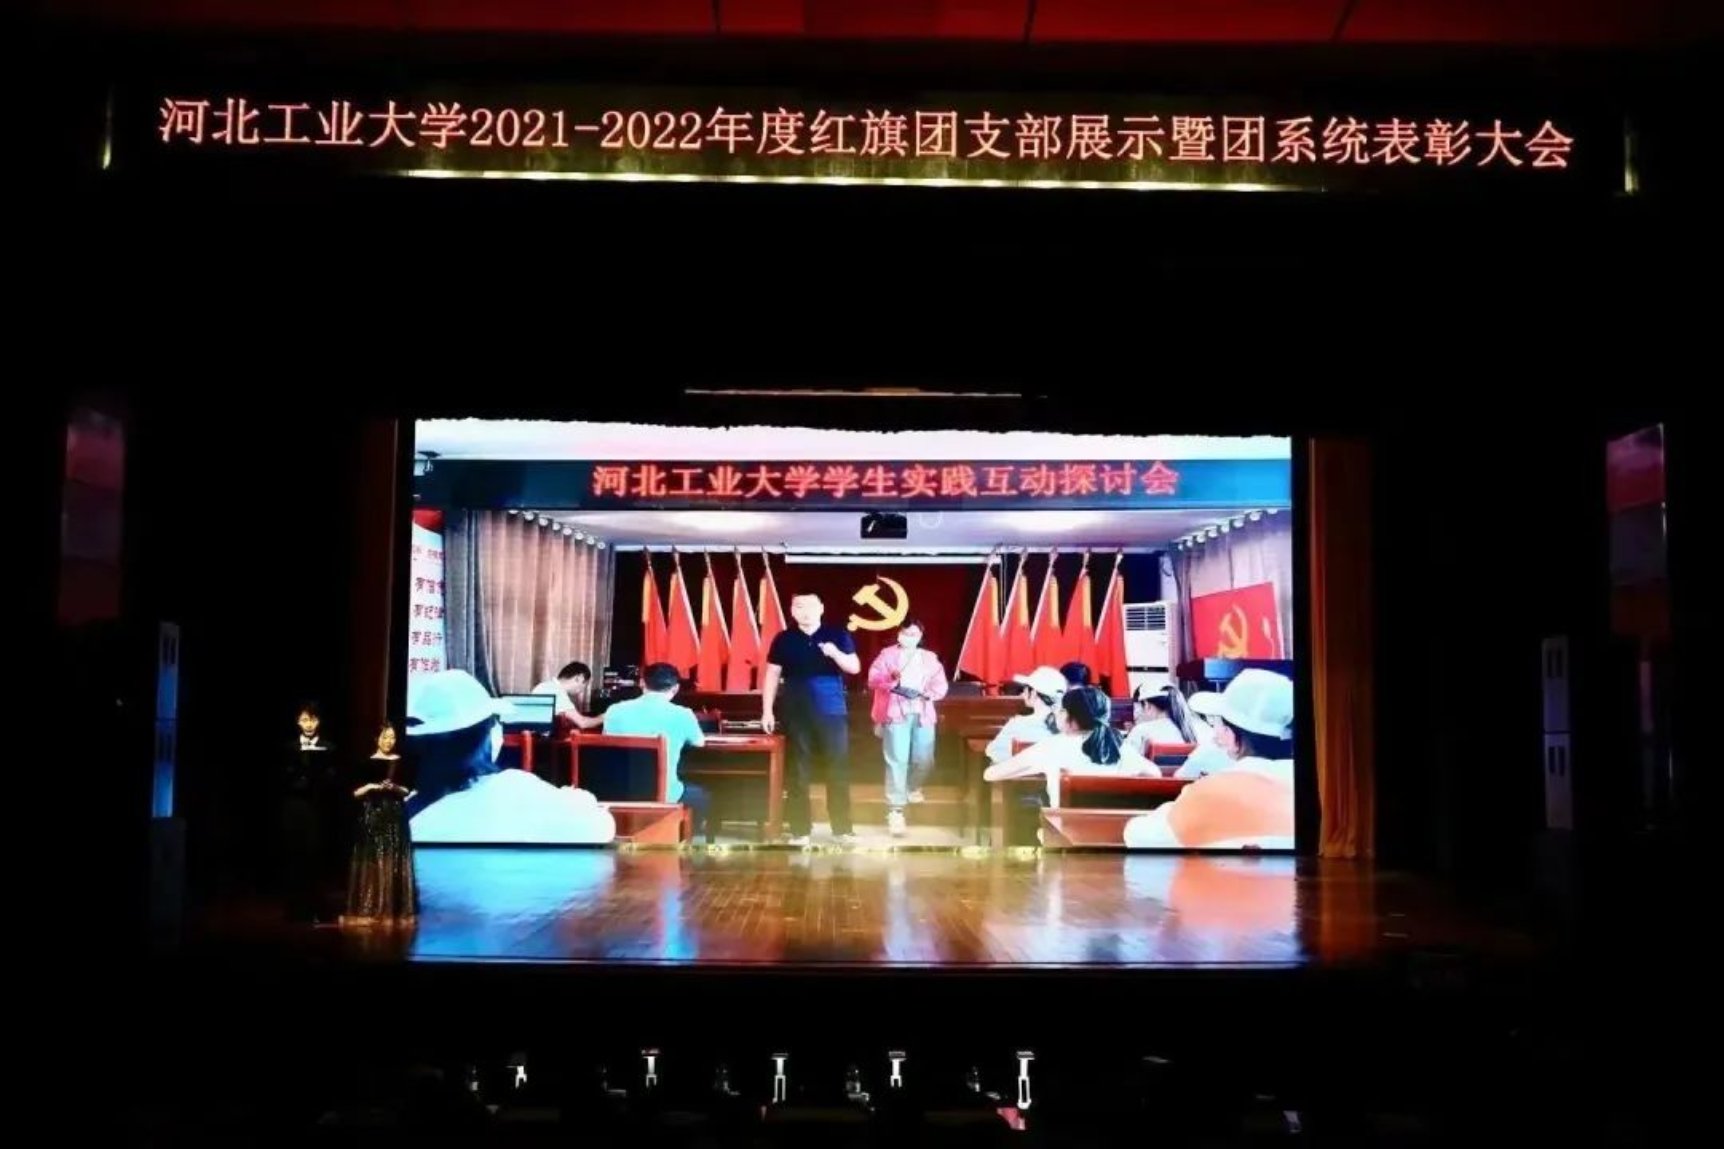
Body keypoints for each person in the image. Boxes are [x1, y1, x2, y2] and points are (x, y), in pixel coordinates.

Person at [407, 669, 616, 845]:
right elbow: (601, 827)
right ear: (488, 733)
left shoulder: (406, 816)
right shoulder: (517, 788)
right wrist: (581, 799)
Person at [1123, 669, 1295, 850]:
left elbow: (1137, 835)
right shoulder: (1313, 792)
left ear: (1231, 734)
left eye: (1217, 722)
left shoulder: (1209, 793)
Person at [761, 592, 861, 847]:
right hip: (796, 710)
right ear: (792, 610)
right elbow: (772, 675)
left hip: (831, 710)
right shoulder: (784, 639)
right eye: (799, 607)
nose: (805, 612)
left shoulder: (837, 634)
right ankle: (800, 830)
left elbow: (854, 667)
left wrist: (835, 653)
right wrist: (767, 710)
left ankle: (842, 828)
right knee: (797, 771)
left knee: (837, 768)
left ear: (821, 608)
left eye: (810, 606)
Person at [599, 662, 713, 842]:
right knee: (702, 795)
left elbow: (606, 743)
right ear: (675, 688)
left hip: (616, 792)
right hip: (664, 795)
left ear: (642, 683)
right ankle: (677, 838)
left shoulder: (614, 711)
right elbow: (699, 743)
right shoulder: (683, 714)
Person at [985, 686, 1155, 805]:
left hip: (1066, 832)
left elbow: (991, 774)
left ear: (1068, 716)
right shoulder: (1119, 745)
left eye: (1060, 710)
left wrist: (1033, 770)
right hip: (1116, 832)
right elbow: (1154, 774)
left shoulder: (1052, 746)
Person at [865, 619, 950, 837]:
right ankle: (896, 809)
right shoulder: (887, 655)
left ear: (920, 636)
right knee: (896, 759)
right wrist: (889, 679)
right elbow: (873, 679)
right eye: (905, 633)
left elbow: (940, 684)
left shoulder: (929, 658)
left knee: (925, 758)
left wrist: (928, 694)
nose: (909, 637)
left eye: (914, 634)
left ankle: (912, 786)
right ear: (899, 634)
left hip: (922, 711)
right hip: (895, 711)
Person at [343, 722, 416, 925]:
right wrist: (370, 786)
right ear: (377, 739)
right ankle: (370, 904)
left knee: (393, 859)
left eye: (392, 737)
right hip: (372, 815)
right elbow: (355, 793)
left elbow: (407, 791)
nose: (389, 741)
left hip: (395, 815)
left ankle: (393, 906)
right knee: (372, 859)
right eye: (385, 737)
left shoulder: (401, 762)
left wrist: (394, 787)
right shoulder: (365, 762)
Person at [282, 702, 337, 923]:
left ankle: (317, 908)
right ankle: (295, 909)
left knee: (316, 858)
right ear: (298, 722)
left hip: (318, 808)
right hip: (294, 808)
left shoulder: (329, 748)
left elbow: (334, 778)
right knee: (294, 857)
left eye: (313, 719)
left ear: (319, 721)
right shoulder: (289, 748)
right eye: (305, 719)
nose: (309, 724)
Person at [984, 665, 1067, 764]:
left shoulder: (1017, 724)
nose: (1023, 693)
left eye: (1025, 688)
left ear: (1034, 693)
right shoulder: (1071, 726)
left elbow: (993, 752)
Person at [1124, 684, 1198, 756]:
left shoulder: (1141, 731)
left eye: (1137, 707)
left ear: (1147, 705)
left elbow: (1124, 761)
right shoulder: (1191, 731)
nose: (1136, 714)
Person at [531, 661, 603, 731]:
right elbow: (582, 723)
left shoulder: (544, 685)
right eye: (585, 684)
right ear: (579, 678)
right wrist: (605, 716)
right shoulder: (557, 691)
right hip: (540, 736)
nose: (583, 690)